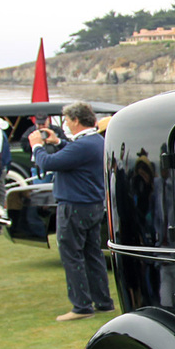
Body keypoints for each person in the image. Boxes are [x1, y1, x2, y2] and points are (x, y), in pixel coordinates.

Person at [30, 101, 115, 321]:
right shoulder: (95, 141)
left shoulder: (84, 144)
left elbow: (48, 163)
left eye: (67, 120)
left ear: (76, 120)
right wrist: (58, 142)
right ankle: (103, 301)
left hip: (75, 205)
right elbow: (70, 155)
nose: (66, 124)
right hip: (92, 204)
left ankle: (81, 306)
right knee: (92, 253)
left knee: (72, 254)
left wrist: (36, 146)